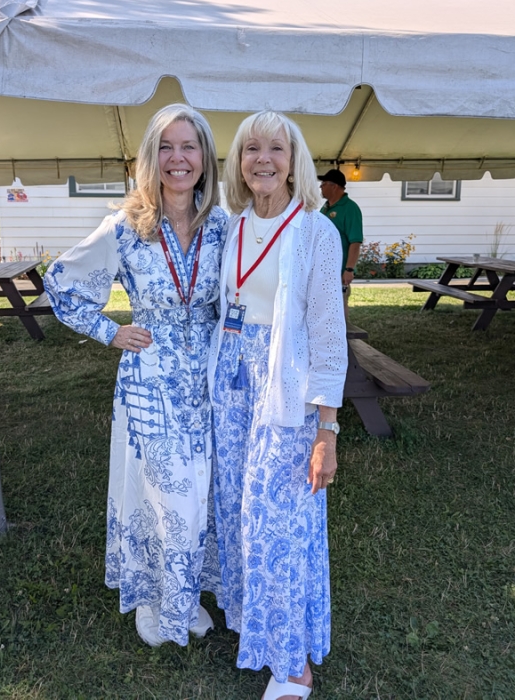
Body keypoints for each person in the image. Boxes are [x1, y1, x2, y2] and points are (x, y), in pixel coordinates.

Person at [44, 103, 227, 648]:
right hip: (151, 377)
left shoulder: (223, 225)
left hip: (210, 377)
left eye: (189, 146)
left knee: (201, 488)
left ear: (204, 157)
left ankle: (186, 593)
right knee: (156, 490)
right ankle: (151, 594)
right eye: (166, 147)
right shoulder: (125, 227)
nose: (178, 158)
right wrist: (110, 332)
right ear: (151, 157)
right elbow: (61, 282)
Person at [208, 112, 348, 699]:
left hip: (284, 389)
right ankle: (256, 627)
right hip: (232, 384)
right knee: (239, 512)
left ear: (295, 161)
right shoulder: (233, 225)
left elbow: (328, 335)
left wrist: (327, 431)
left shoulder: (316, 231)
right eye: (251, 148)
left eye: (276, 148)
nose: (262, 158)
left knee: (280, 522)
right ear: (239, 161)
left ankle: (294, 666)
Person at [319, 169, 363, 312]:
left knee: (337, 309)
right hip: (322, 269)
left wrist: (349, 269)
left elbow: (355, 242)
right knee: (323, 309)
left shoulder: (350, 208)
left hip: (338, 270)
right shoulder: (325, 208)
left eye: (324, 184)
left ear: (334, 186)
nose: (320, 187)